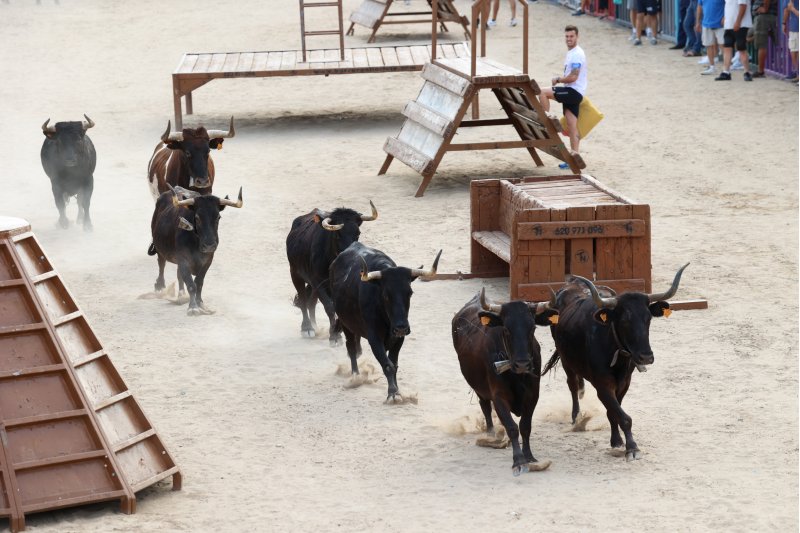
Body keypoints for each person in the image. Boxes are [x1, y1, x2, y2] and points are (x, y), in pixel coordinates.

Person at [539, 25, 587, 156]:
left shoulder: (577, 54)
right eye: (567, 36)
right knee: (572, 126)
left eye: (571, 36)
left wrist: (558, 79)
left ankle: (545, 124)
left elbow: (573, 77)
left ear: (577, 37)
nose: (569, 39)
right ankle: (575, 156)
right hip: (574, 92)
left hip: (573, 92)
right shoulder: (572, 53)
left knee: (542, 92)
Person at [715, 0, 754, 80]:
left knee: (741, 48)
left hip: (741, 25)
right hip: (729, 24)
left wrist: (738, 22)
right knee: (727, 47)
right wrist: (725, 18)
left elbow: (743, 6)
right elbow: (729, 6)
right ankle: (726, 72)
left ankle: (746, 72)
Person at [696, 0, 725, 74]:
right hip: (706, 23)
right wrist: (698, 22)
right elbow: (699, 7)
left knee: (723, 46)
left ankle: (726, 68)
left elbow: (728, 5)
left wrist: (725, 16)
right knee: (708, 45)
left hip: (720, 24)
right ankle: (712, 67)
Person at [750, 0, 778, 76]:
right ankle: (762, 69)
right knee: (765, 44)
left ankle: (760, 71)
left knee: (761, 45)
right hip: (767, 15)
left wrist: (765, 8)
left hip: (764, 16)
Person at [783, 0, 799, 80]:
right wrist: (784, 23)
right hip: (793, 27)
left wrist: (792, 9)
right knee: (793, 50)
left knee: (794, 51)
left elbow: (787, 9)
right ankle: (797, 73)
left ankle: (797, 73)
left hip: (795, 27)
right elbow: (786, 9)